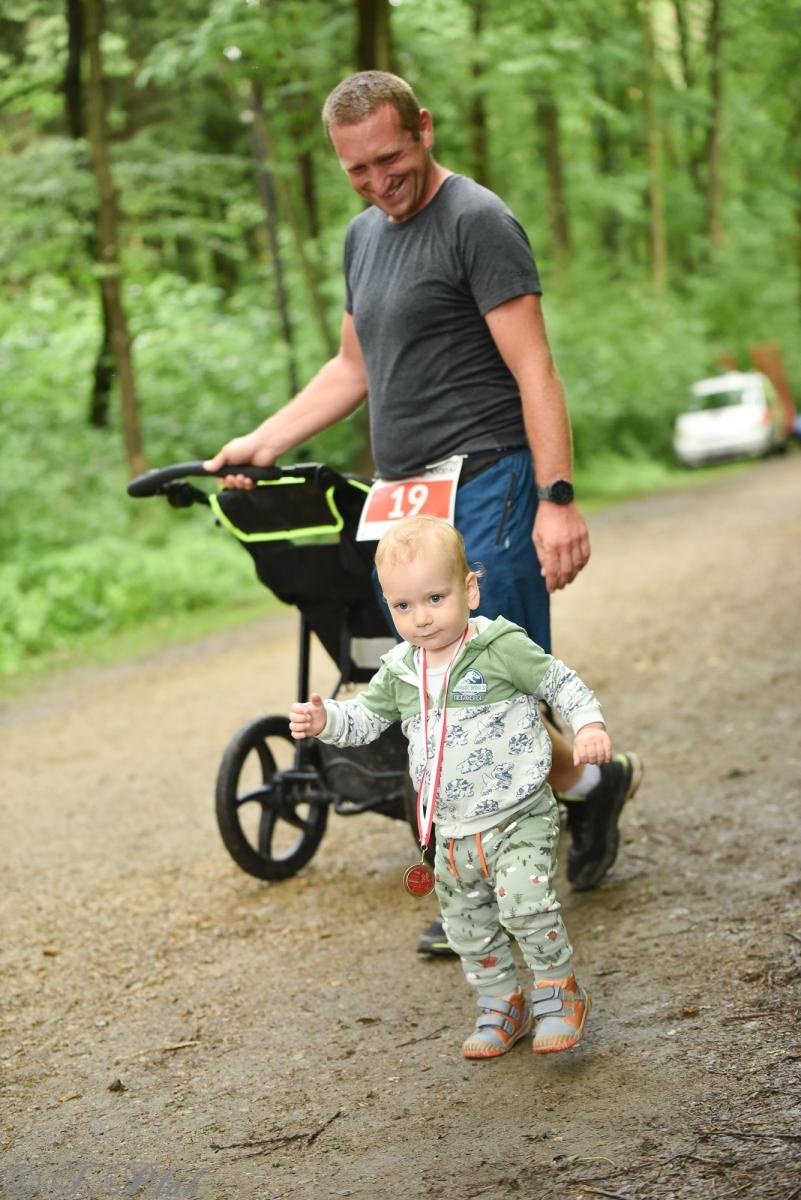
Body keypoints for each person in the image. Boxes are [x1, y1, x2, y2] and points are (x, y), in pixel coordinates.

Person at [204, 70, 643, 955]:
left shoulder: (476, 221)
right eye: (355, 169)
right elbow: (351, 370)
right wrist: (262, 441)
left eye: (390, 158)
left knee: (488, 697)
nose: (376, 182)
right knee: (432, 699)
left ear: (424, 129)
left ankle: (477, 891)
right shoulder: (363, 238)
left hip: (489, 481)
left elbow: (534, 370)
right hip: (404, 502)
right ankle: (595, 791)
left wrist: (556, 500)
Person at [290, 516, 605, 1058]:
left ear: (470, 589)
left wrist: (589, 724)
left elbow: (559, 681)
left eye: (435, 598)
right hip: (451, 830)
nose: (421, 618)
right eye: (403, 606)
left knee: (525, 901)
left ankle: (559, 991)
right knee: (468, 924)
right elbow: (367, 718)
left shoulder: (499, 646)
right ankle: (502, 1003)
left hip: (518, 812)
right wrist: (328, 722)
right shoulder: (401, 670)